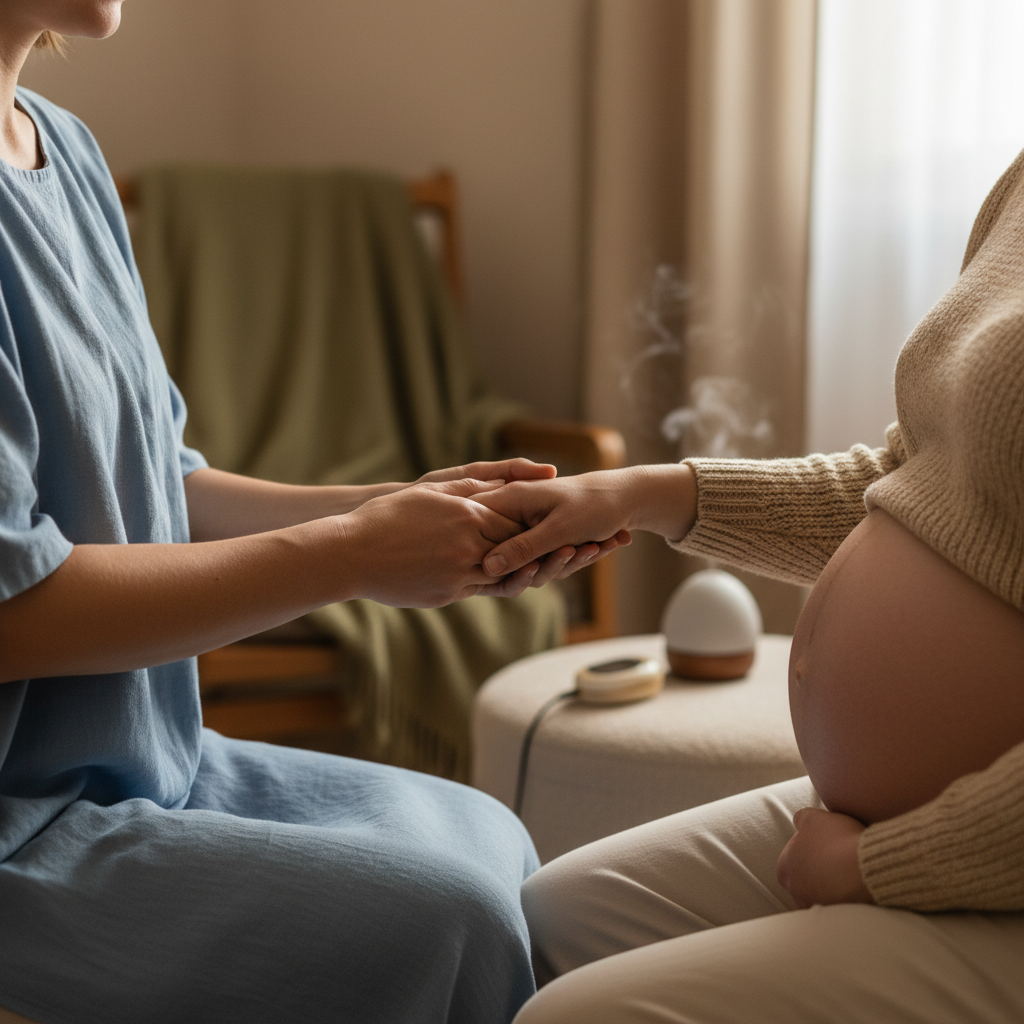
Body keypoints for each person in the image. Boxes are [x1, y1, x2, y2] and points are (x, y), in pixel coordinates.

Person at [0, 4, 623, 1022]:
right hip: (20, 828)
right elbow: (14, 609)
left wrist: (398, 509)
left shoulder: (65, 151)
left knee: (495, 849)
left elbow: (163, 480)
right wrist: (350, 555)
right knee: (448, 918)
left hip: (147, 767)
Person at [473, 147, 1024, 1021]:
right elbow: (921, 481)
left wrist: (871, 869)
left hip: (989, 857)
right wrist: (646, 493)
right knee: (538, 923)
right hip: (891, 817)